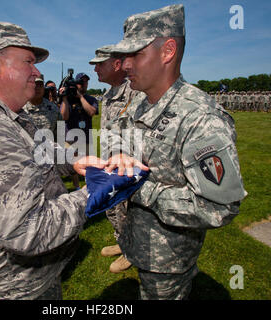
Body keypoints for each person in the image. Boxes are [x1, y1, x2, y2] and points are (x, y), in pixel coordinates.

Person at [0, 21, 105, 300]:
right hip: (11, 288)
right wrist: (96, 191)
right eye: (28, 62)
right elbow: (28, 229)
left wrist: (75, 161)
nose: (37, 72)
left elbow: (41, 149)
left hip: (31, 279)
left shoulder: (8, 115)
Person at [104, 4, 247, 299]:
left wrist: (138, 187)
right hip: (140, 244)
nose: (125, 65)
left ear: (168, 51)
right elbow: (122, 135)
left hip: (168, 260)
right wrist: (119, 154)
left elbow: (221, 207)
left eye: (135, 55)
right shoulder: (142, 102)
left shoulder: (200, 117)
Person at [89, 45, 139, 273]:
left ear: (117, 64)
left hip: (127, 165)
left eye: (100, 64)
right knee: (112, 208)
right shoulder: (109, 94)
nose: (96, 69)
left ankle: (132, 251)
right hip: (109, 162)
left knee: (127, 210)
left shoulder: (135, 92)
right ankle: (122, 242)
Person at [60, 72, 98, 189]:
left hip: (86, 137)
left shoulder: (91, 99)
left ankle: (89, 186)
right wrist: (65, 98)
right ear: (76, 84)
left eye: (86, 82)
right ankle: (77, 187)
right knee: (73, 164)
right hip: (71, 138)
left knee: (89, 164)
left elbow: (91, 112)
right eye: (81, 82)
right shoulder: (69, 99)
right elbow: (64, 117)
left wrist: (80, 97)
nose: (84, 84)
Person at [21, 74, 62, 139]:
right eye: (35, 84)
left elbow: (60, 137)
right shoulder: (19, 108)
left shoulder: (54, 109)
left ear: (44, 88)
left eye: (40, 85)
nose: (38, 88)